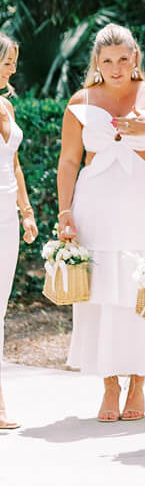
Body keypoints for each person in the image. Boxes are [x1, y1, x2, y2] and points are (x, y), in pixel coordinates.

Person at [57, 24, 145, 421]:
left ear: (135, 58)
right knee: (101, 297)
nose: (115, 67)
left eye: (123, 59)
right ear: (96, 63)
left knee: (139, 292)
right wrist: (64, 213)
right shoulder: (80, 100)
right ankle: (109, 385)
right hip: (96, 206)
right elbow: (69, 162)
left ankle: (139, 384)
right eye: (107, 60)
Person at [0, 35, 37, 429]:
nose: (12, 70)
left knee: (0, 305)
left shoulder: (6, 104)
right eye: (7, 62)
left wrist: (26, 212)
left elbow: (14, 164)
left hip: (7, 218)